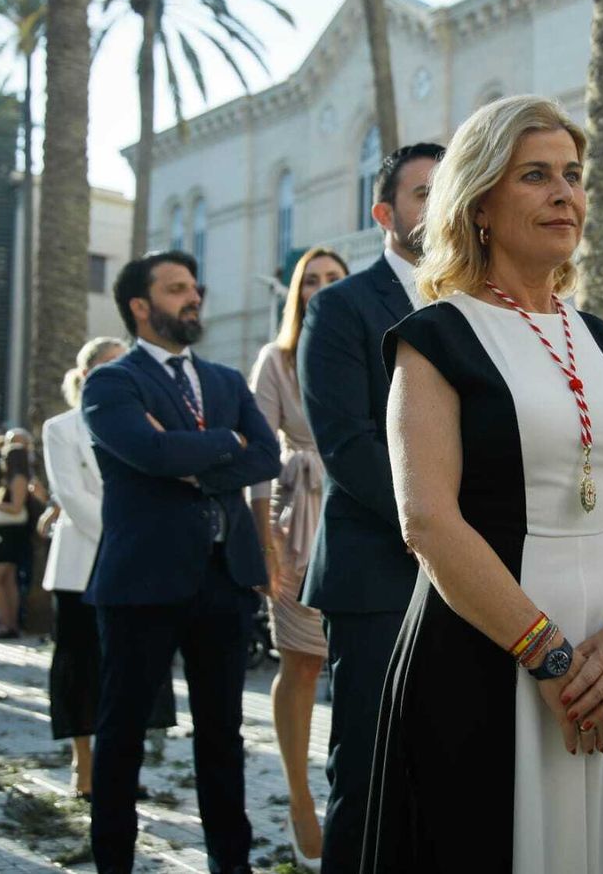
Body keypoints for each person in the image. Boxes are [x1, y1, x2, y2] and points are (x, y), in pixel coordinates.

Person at [364, 95, 603, 872]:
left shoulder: (602, 340)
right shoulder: (436, 337)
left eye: (572, 174)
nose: (565, 192)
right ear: (481, 204)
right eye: (536, 175)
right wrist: (554, 660)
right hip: (485, 653)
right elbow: (426, 519)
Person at [81, 250, 280, 874]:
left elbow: (268, 456)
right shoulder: (111, 382)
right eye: (175, 290)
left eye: (195, 287)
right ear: (141, 307)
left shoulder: (224, 380)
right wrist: (225, 443)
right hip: (142, 582)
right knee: (122, 737)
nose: (193, 298)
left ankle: (232, 863)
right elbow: (147, 451)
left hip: (224, 580)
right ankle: (114, 862)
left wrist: (188, 453)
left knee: (222, 735)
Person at [297, 142, 441, 874]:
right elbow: (348, 445)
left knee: (453, 776)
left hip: (493, 577)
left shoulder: (489, 307)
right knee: (370, 771)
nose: (439, 203)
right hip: (379, 573)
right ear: (385, 213)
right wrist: (445, 534)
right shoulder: (340, 308)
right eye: (422, 193)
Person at [41, 338, 177, 800]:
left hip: (139, 560)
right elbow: (71, 496)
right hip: (83, 561)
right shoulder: (61, 427)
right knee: (80, 667)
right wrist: (129, 530)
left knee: (130, 670)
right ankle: (83, 763)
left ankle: (122, 765)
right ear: (84, 378)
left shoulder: (148, 424)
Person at [250, 245, 349, 870]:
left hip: (371, 513)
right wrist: (266, 546)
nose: (320, 288)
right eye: (309, 281)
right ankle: (300, 799)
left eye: (332, 278)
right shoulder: (275, 358)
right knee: (303, 665)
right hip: (298, 521)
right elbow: (258, 456)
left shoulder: (370, 344)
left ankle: (356, 799)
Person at [0, 434, 43, 637]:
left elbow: (17, 507)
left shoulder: (18, 478)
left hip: (12, 534)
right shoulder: (8, 479)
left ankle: (7, 622)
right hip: (6, 533)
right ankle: (9, 623)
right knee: (8, 580)